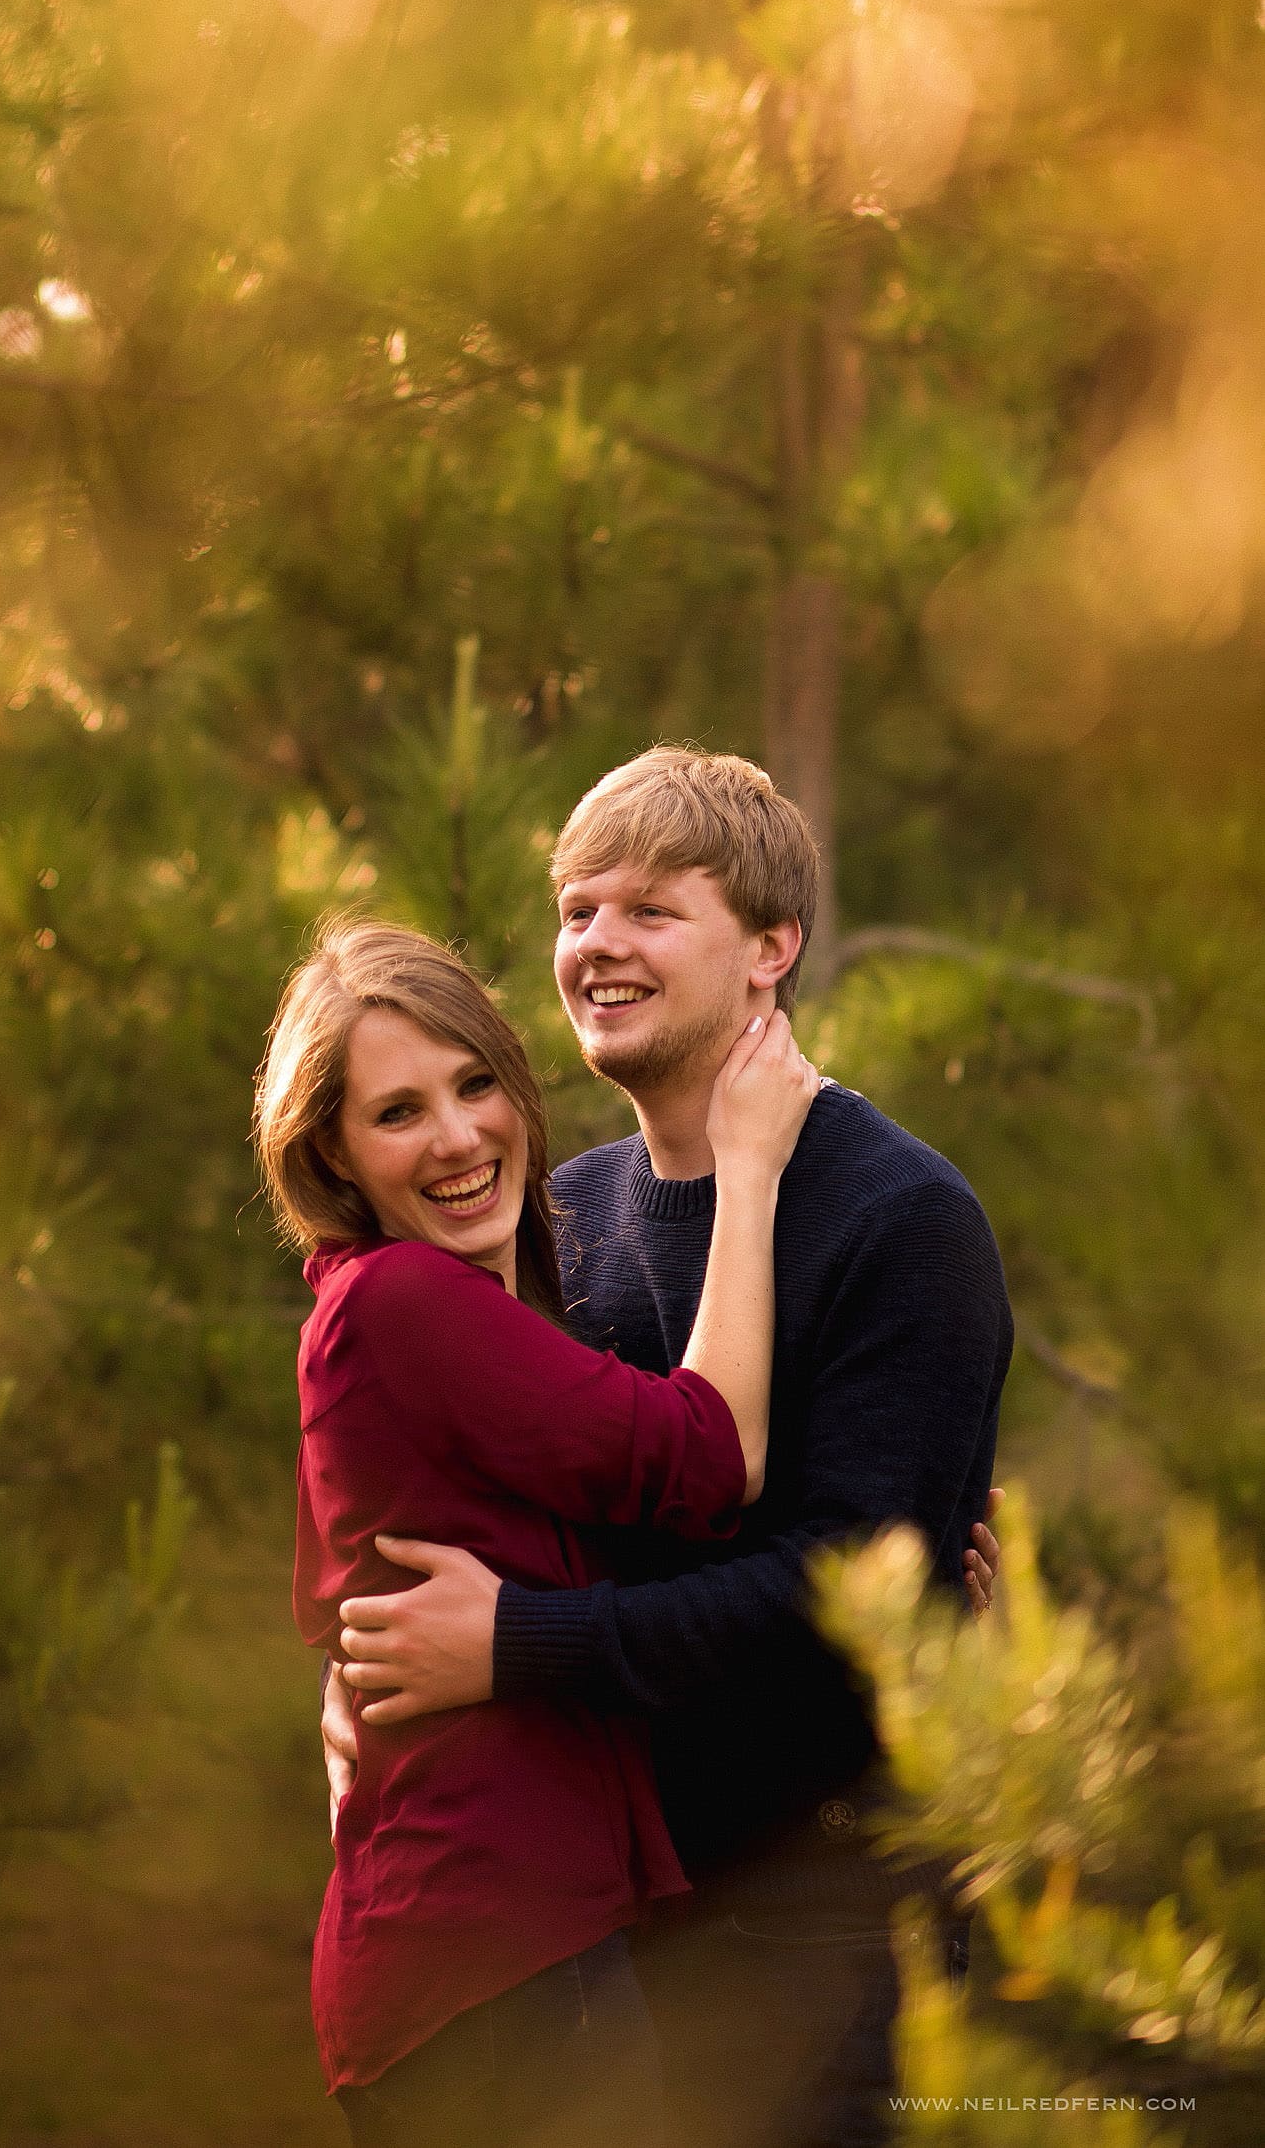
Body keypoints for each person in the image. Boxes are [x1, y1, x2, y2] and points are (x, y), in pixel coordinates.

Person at [323, 747, 1013, 2148]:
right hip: (596, 1928)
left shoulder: (900, 1221)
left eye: (648, 908)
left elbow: (843, 1594)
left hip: (822, 1921)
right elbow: (459, 1524)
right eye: (577, 911)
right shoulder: (554, 1222)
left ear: (773, 948)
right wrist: (364, 1684)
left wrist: (519, 1645)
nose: (597, 946)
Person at [257, 916, 822, 2146]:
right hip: (494, 1964)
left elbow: (339, 1608)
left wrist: (911, 1551)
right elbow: (707, 1457)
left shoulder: (424, 1315)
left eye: (474, 1084)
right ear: (334, 1156)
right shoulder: (399, 1302)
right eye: (397, 1112)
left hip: (481, 1959)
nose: (458, 1136)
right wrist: (750, 1165)